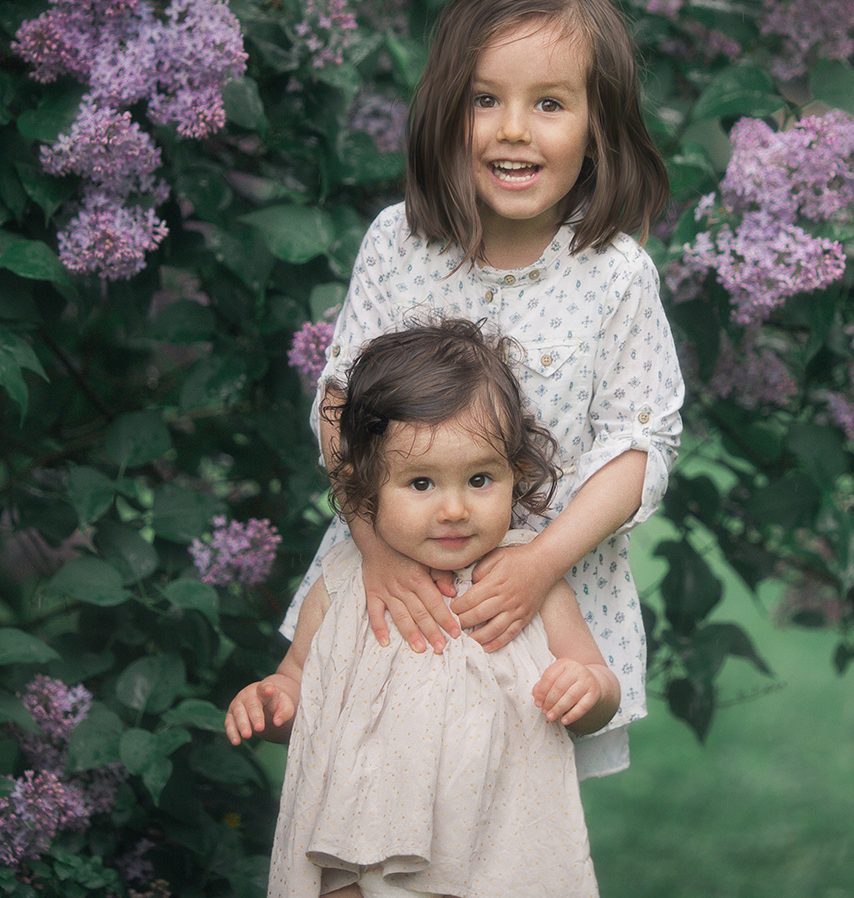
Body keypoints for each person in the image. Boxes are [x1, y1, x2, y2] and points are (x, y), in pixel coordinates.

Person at [283, 0, 683, 779]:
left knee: (507, 823)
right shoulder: (400, 245)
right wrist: (375, 545)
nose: (513, 129)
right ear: (446, 112)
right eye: (485, 98)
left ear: (596, 125)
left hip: (533, 602)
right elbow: (339, 406)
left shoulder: (614, 276)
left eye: (549, 103)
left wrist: (540, 565)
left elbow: (641, 446)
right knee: (369, 801)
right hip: (399, 582)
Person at [227, 319, 616, 898]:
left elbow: (602, 691)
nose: (455, 508)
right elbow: (302, 685)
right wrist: (274, 703)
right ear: (366, 489)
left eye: (480, 478)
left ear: (517, 473)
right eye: (421, 483)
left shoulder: (523, 585)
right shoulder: (341, 585)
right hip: (356, 842)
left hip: (491, 845)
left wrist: (585, 687)